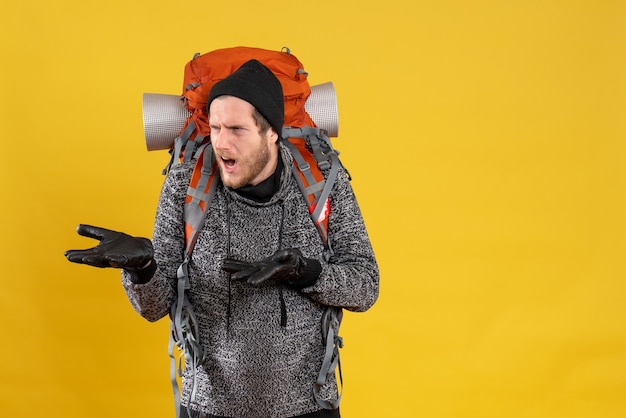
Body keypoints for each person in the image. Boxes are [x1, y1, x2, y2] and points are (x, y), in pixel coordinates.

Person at [65, 59, 379, 418]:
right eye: (214, 128)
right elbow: (154, 307)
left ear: (271, 132)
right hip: (208, 407)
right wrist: (144, 270)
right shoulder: (186, 185)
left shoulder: (322, 184)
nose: (221, 142)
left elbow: (365, 285)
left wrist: (305, 273)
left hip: (309, 407)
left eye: (236, 129)